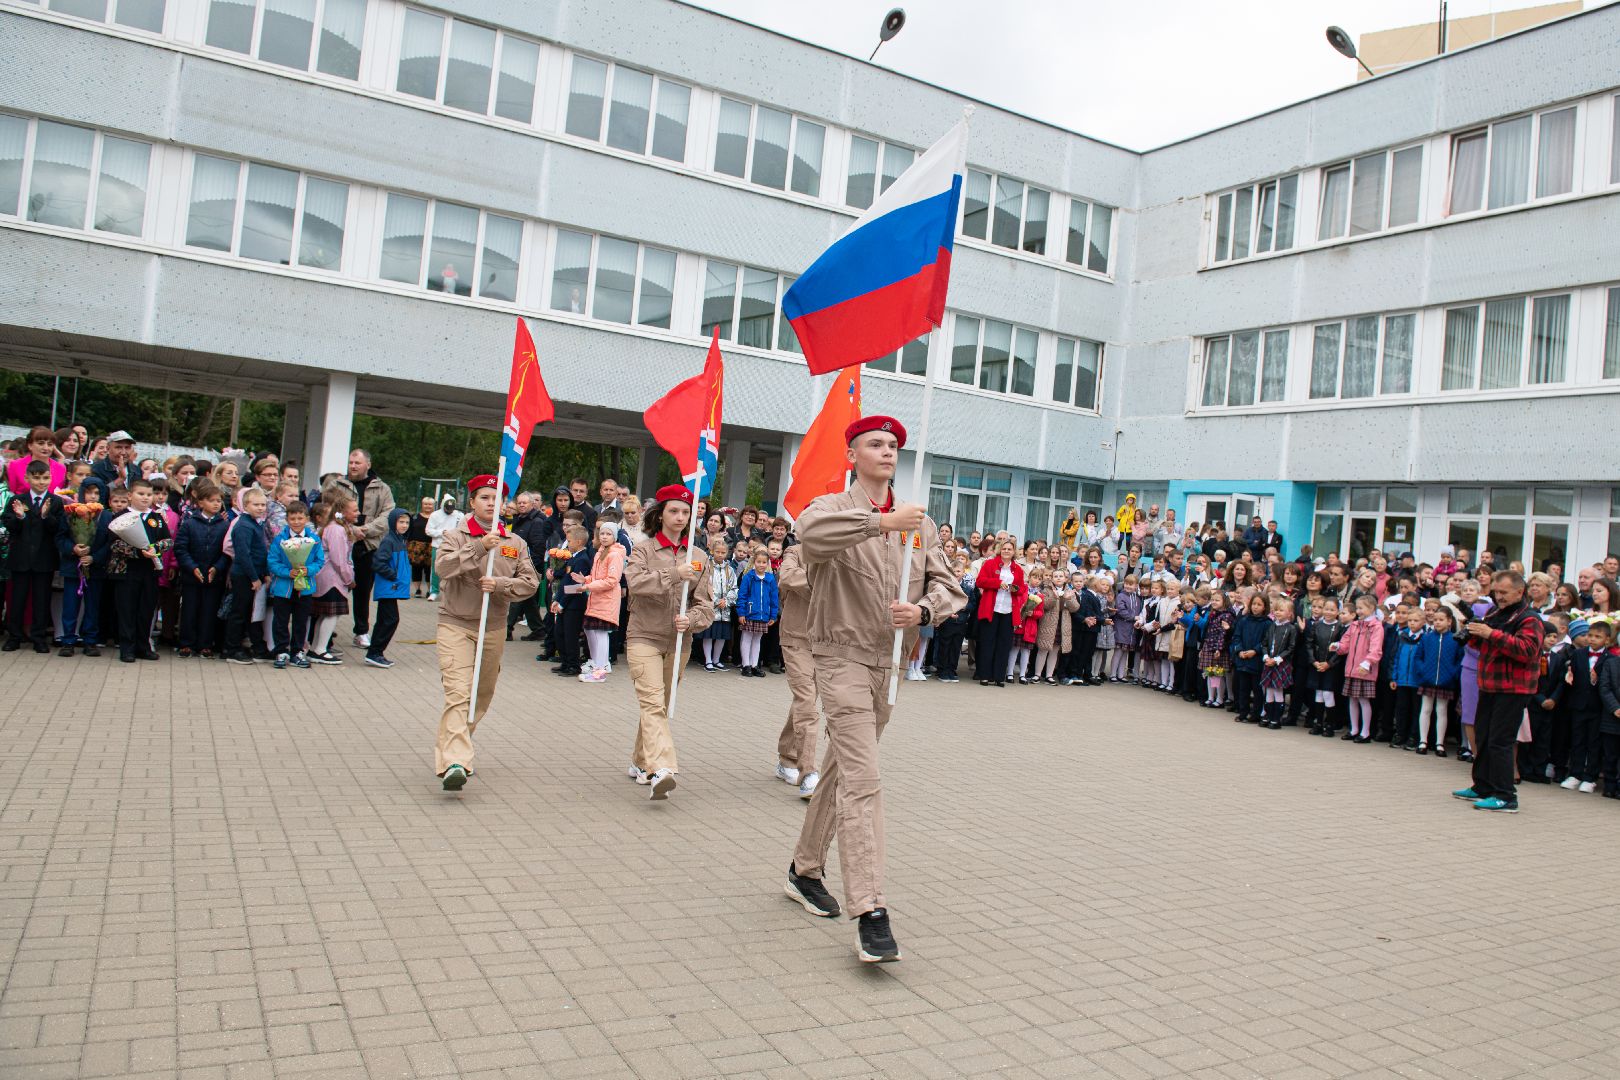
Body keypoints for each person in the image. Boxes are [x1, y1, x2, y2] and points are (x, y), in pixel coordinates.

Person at [781, 415, 965, 965]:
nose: (887, 452)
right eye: (875, 444)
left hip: (889, 667)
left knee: (842, 771)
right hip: (838, 657)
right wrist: (880, 525)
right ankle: (871, 910)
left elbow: (950, 586)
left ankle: (804, 869)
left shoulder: (919, 524)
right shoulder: (831, 510)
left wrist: (924, 609)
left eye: (893, 446)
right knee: (863, 779)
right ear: (852, 454)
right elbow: (809, 540)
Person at [432, 475, 539, 792]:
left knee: (481, 695)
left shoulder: (515, 543)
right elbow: (444, 568)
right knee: (457, 693)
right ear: (472, 502)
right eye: (485, 498)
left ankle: (459, 743)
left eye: (497, 498)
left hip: (493, 628)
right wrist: (480, 546)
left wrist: (502, 585)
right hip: (456, 623)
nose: (492, 503)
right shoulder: (455, 535)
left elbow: (530, 584)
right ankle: (455, 761)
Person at [623, 484, 714, 800]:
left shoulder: (699, 556)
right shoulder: (643, 549)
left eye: (685, 512)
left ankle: (639, 759)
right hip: (643, 636)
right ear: (659, 514)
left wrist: (692, 620)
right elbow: (635, 583)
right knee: (651, 701)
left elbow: (706, 604)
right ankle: (661, 768)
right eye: (673, 510)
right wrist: (675, 574)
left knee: (656, 706)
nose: (680, 516)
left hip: (679, 643)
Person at [1453, 570, 1545, 813]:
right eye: (1496, 591)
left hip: (1514, 688)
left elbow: (1527, 650)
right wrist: (1474, 633)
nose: (1499, 596)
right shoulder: (1496, 612)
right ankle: (1482, 786)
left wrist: (1490, 633)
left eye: (1504, 592)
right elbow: (1485, 644)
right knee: (1483, 735)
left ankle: (1506, 796)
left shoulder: (1529, 618)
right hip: (1490, 684)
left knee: (1500, 740)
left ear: (1519, 591)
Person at [325, 449, 395, 649]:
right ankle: (326, 635)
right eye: (350, 462)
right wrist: (349, 528)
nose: (353, 466)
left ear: (368, 465)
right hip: (341, 543)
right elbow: (326, 509)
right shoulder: (336, 484)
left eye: (357, 462)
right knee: (334, 588)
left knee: (363, 590)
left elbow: (388, 515)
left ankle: (361, 631)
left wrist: (366, 529)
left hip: (368, 545)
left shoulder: (382, 488)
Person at [2, 460, 65, 652]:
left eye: (45, 478)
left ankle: (38, 638)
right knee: (17, 599)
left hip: (43, 559)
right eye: (36, 478)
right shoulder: (17, 500)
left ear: (51, 478)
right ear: (27, 478)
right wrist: (20, 517)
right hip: (20, 558)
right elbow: (8, 524)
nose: (41, 482)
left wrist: (47, 516)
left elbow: (58, 529)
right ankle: (14, 636)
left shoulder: (55, 502)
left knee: (41, 599)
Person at [108, 478, 169, 663]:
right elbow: (115, 543)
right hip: (127, 570)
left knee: (146, 609)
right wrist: (137, 552)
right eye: (141, 494)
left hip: (149, 570)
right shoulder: (121, 516)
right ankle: (127, 648)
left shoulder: (156, 518)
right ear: (129, 495)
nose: (145, 498)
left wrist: (156, 549)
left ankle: (143, 646)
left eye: (148, 495)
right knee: (127, 609)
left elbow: (168, 540)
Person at [175, 479, 230, 659]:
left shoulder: (224, 525)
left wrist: (217, 568)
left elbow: (227, 551)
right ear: (200, 503)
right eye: (212, 500)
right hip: (192, 576)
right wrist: (191, 568)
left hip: (213, 577)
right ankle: (186, 643)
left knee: (209, 610)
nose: (216, 504)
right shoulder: (190, 523)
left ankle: (206, 644)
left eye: (218, 500)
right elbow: (181, 548)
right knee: (190, 609)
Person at [267, 501, 323, 669]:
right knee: (281, 621)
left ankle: (297, 651)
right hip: (283, 588)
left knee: (301, 620)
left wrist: (308, 569)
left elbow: (320, 561)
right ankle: (281, 651)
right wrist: (287, 572)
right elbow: (272, 562)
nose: (296, 522)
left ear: (306, 518)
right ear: (287, 519)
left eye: (300, 518)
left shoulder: (314, 540)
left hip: (304, 588)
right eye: (293, 518)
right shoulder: (280, 539)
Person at [224, 487, 271, 664]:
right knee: (239, 612)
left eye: (263, 505)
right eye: (256, 504)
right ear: (245, 505)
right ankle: (232, 649)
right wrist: (254, 578)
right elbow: (243, 554)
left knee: (251, 612)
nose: (260, 508)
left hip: (255, 574)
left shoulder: (255, 523)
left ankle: (256, 647)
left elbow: (260, 551)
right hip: (244, 575)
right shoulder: (243, 525)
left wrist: (264, 573)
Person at [575, 520, 626, 683]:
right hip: (596, 599)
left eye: (608, 534)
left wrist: (588, 586)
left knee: (601, 634)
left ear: (615, 537)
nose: (604, 537)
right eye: (602, 533)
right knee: (590, 631)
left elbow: (612, 580)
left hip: (606, 600)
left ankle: (600, 670)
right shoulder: (600, 553)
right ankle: (598, 664)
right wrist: (586, 579)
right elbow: (598, 576)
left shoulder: (615, 554)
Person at [309, 497, 355, 665]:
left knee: (324, 614)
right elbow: (339, 559)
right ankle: (320, 649)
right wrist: (348, 578)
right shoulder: (336, 530)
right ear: (343, 512)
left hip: (328, 576)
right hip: (332, 578)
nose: (357, 513)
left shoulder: (334, 527)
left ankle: (315, 647)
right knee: (331, 614)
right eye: (354, 510)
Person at [973, 539, 1024, 687]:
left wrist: (1014, 588)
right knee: (987, 643)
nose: (1006, 551)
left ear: (1014, 552)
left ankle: (999, 676)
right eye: (1004, 549)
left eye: (1009, 549)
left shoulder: (1018, 569)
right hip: (992, 609)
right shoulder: (990, 564)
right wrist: (997, 583)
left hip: (1008, 610)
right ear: (999, 550)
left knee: (1004, 644)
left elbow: (1021, 589)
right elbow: (980, 581)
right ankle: (984, 675)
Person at [366, 508, 412, 668]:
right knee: (390, 619)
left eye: (407, 522)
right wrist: (393, 575)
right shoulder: (389, 541)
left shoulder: (400, 540)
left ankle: (375, 652)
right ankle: (375, 652)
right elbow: (378, 562)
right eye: (401, 522)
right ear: (393, 522)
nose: (404, 525)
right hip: (388, 587)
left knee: (385, 620)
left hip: (392, 587)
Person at [736, 549, 780, 677]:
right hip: (750, 613)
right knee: (746, 638)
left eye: (764, 562)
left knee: (757, 640)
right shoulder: (748, 577)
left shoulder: (771, 578)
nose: (761, 564)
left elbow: (774, 598)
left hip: (763, 615)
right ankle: (746, 665)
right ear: (754, 562)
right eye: (759, 562)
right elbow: (742, 595)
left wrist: (773, 614)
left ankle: (755, 665)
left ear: (767, 564)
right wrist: (741, 613)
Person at [6, 427, 67, 497]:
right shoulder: (15, 465)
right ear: (30, 445)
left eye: (50, 444)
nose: (46, 448)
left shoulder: (60, 468)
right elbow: (12, 492)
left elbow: (59, 494)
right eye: (41, 443)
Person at [424, 494, 462, 601]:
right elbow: (428, 530)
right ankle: (434, 591)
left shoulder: (459, 515)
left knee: (453, 569)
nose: (449, 510)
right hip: (438, 546)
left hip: (453, 546)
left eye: (451, 508)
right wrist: (442, 532)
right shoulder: (435, 515)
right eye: (447, 508)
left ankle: (450, 592)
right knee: (435, 569)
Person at [406, 497, 435, 598]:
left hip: (431, 546)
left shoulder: (436, 517)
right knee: (416, 568)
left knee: (429, 569)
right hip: (416, 547)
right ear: (422, 505)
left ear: (433, 505)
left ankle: (429, 590)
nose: (428, 506)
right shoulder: (414, 517)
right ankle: (417, 590)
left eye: (430, 504)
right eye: (425, 504)